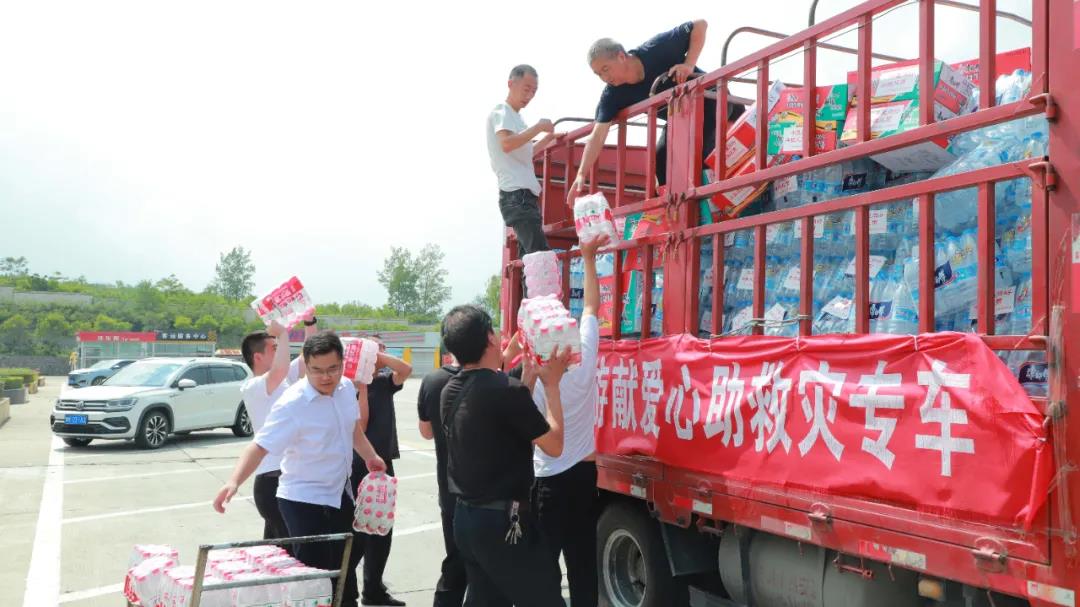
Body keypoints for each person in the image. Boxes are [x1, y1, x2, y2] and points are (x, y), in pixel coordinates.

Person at [214, 331, 386, 607]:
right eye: (317, 370)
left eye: (332, 368)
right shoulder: (292, 403)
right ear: (306, 364)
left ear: (342, 363)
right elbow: (259, 446)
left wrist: (371, 456)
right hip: (302, 499)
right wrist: (234, 481)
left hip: (338, 493)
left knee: (347, 562)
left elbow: (353, 429)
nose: (326, 377)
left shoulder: (345, 388)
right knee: (315, 576)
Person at [440, 304, 571, 607]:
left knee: (486, 600)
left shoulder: (450, 390)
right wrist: (552, 385)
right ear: (490, 337)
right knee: (545, 599)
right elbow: (554, 445)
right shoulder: (506, 391)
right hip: (504, 523)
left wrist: (527, 379)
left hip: (467, 520)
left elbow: (501, 419)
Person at [506, 234, 607, 607]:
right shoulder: (585, 356)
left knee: (544, 565)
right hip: (585, 476)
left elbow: (509, 389)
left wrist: (522, 347)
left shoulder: (534, 375)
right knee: (583, 564)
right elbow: (592, 306)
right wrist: (589, 257)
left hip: (548, 480)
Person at [566, 20, 745, 203]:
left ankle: (712, 203)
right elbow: (597, 135)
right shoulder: (612, 94)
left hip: (713, 101)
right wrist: (581, 174)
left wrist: (689, 64)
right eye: (598, 74)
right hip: (679, 118)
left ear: (621, 56)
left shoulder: (655, 49)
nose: (604, 77)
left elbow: (700, 25)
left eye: (606, 69)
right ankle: (671, 211)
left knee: (696, 150)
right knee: (660, 161)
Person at [238, 315, 317, 544]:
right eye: (274, 348)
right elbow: (281, 369)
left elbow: (307, 356)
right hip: (272, 479)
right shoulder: (254, 387)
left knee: (277, 548)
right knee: (289, 546)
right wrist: (282, 333)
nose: (280, 350)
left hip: (289, 475)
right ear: (257, 357)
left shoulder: (281, 380)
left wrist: (309, 322)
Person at [349, 338, 412, 607]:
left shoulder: (385, 382)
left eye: (382, 349)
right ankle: (347, 591)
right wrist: (362, 378)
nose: (380, 354)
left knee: (381, 528)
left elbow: (406, 369)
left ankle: (373, 589)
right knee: (359, 530)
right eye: (374, 350)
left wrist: (375, 355)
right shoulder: (349, 385)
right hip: (358, 464)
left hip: (383, 463)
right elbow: (361, 424)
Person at [487, 64, 558, 258]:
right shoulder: (502, 111)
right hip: (517, 195)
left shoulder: (516, 118)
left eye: (534, 91)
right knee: (540, 257)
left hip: (523, 195)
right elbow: (507, 144)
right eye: (526, 89)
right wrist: (538, 128)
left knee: (531, 260)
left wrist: (547, 139)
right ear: (511, 84)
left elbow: (525, 154)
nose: (530, 95)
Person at [417, 357, 465, 607]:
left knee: (455, 558)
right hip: (487, 494)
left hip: (448, 485)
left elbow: (426, 432)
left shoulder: (432, 380)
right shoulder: (497, 381)